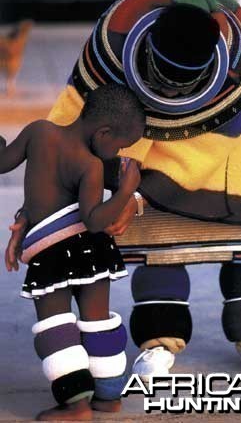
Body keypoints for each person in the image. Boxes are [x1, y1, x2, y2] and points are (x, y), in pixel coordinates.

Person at [6, 0, 241, 382]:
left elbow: (237, 138)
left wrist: (135, 192)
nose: (164, 91)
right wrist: (36, 208)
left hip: (231, 150)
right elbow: (66, 131)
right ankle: (159, 341)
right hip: (146, 161)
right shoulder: (114, 37)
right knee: (159, 245)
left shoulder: (240, 56)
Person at [0, 83, 145, 421]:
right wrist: (125, 191)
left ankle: (76, 402)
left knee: (55, 327)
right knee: (98, 323)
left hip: (50, 254)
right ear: (104, 132)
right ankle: (107, 397)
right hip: (90, 251)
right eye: (120, 146)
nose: (116, 153)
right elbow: (95, 221)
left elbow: (2, 161)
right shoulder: (90, 165)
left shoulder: (38, 132)